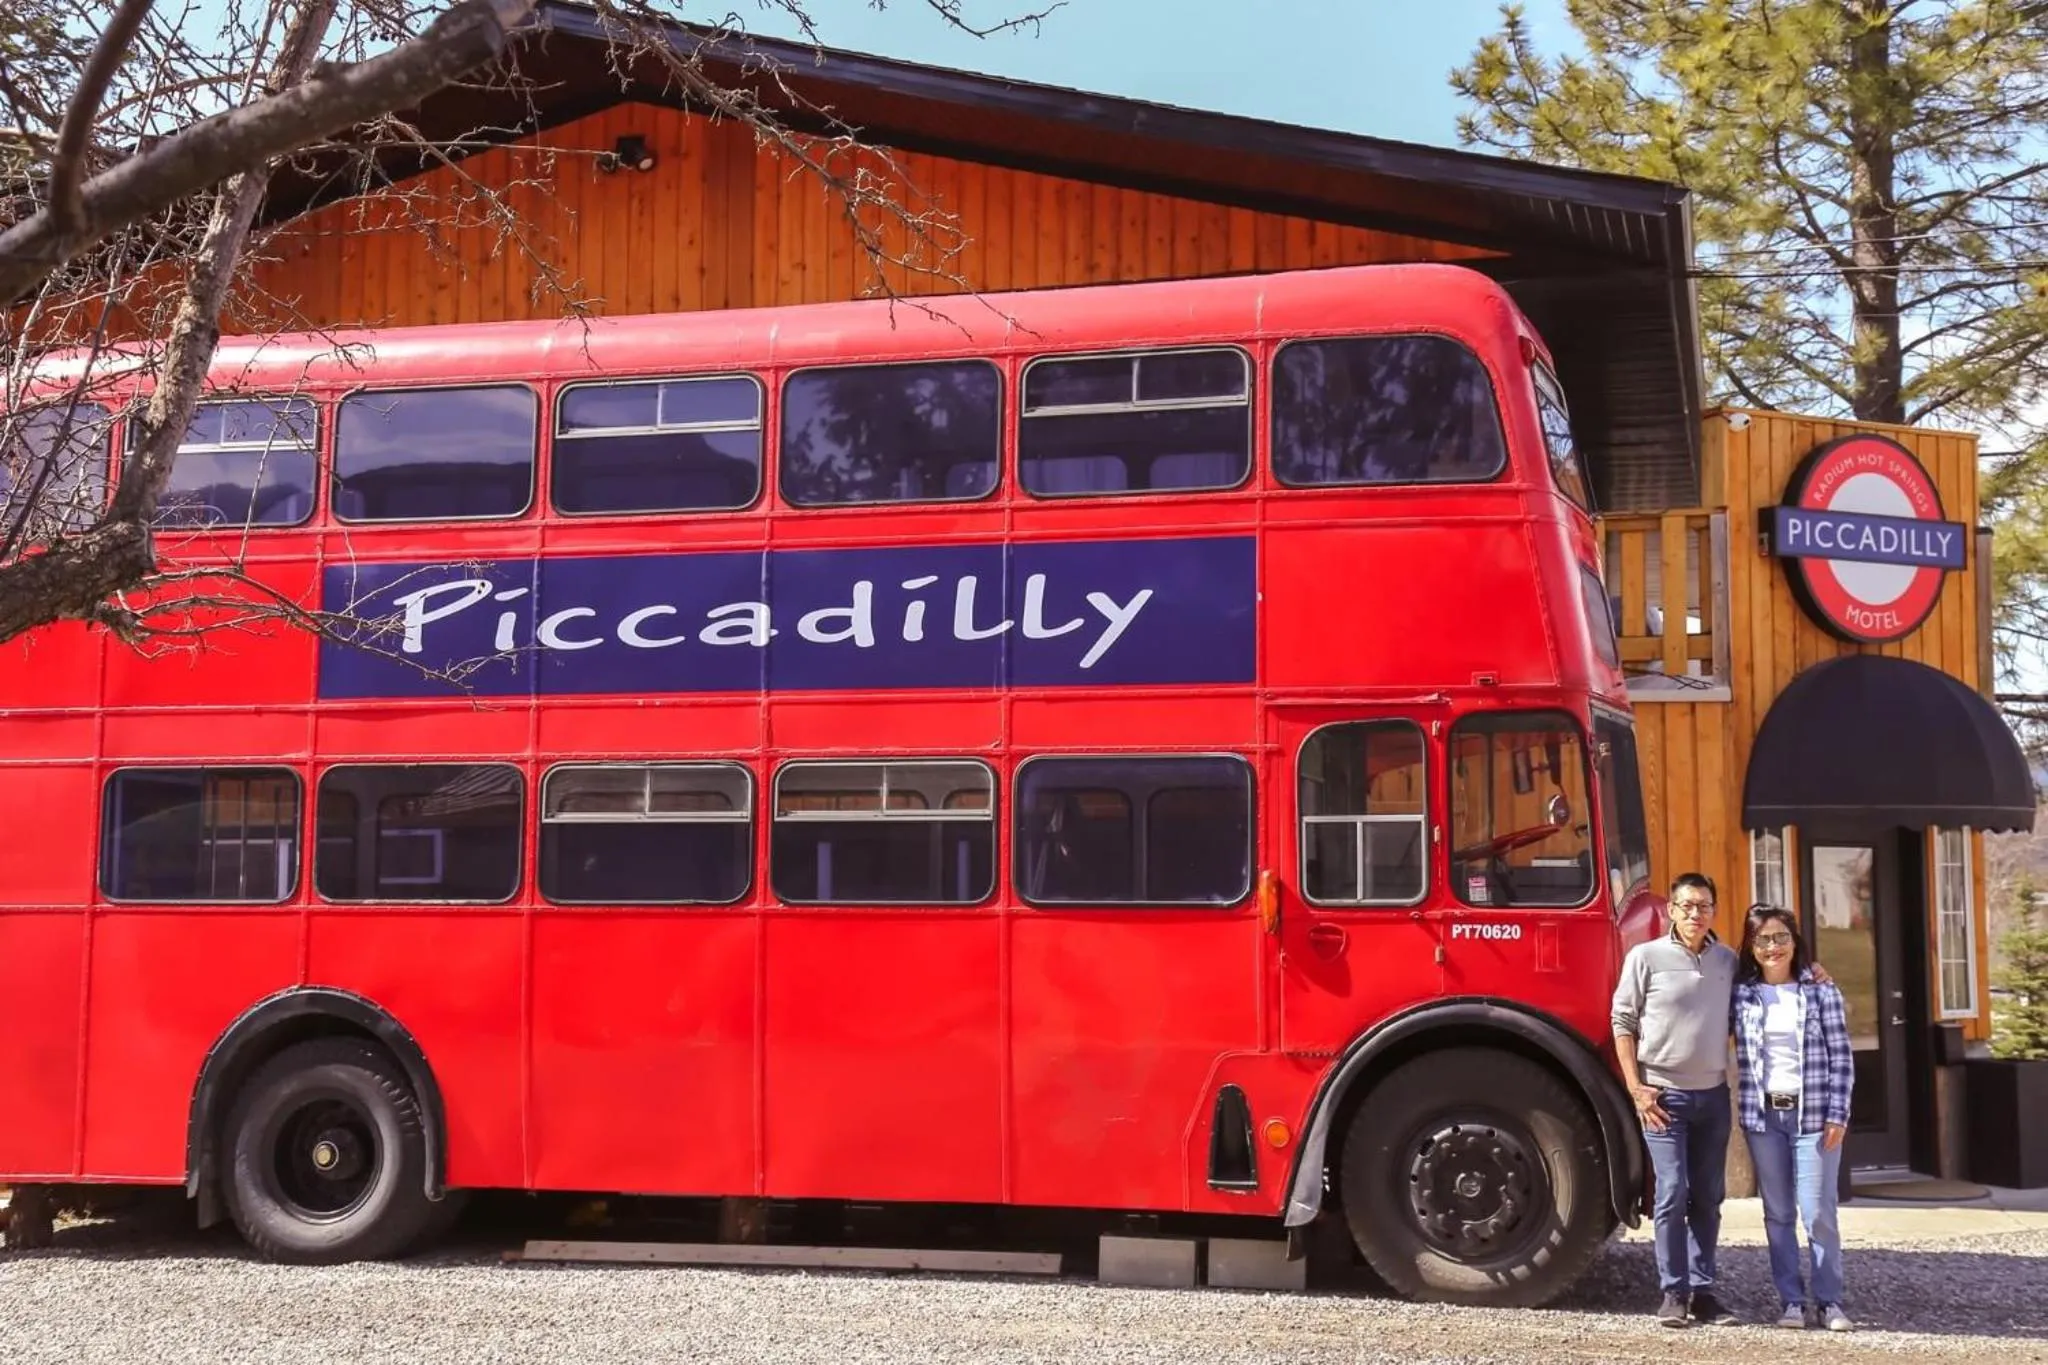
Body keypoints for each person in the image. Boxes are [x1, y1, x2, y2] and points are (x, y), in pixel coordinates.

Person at [1611, 871, 1739, 1327]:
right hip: (1663, 1099)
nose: (1695, 914)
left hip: (1714, 1097)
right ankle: (1673, 1293)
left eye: (1703, 906)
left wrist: (1814, 973)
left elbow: (1768, 984)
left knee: (1708, 1196)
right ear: (1671, 910)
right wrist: (1636, 1089)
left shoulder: (1727, 960)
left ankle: (1703, 1292)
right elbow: (1622, 1022)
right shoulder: (1645, 957)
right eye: (1686, 905)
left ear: (1713, 911)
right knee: (1671, 1192)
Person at [1731, 902, 1855, 1332]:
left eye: (1781, 937)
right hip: (1763, 1118)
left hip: (1814, 1117)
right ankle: (1791, 1302)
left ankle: (1830, 1301)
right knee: (1778, 1213)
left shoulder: (1821, 991)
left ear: (1795, 941)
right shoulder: (1741, 994)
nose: (1773, 947)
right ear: (1751, 946)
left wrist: (1838, 1113)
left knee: (1818, 1212)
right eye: (1763, 939)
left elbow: (1842, 1057)